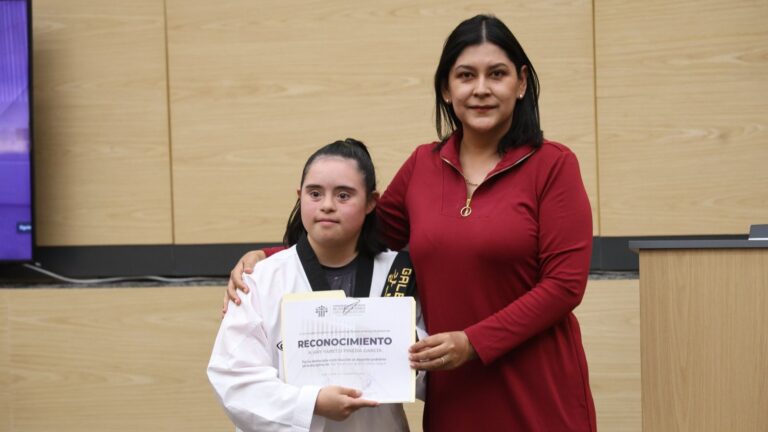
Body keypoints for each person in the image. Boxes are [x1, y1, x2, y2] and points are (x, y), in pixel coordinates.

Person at [225, 14, 596, 432]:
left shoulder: (553, 165)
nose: (480, 89)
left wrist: (473, 342)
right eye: (465, 75)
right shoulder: (424, 165)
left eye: (497, 74)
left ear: (522, 82)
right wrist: (269, 259)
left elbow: (565, 286)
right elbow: (360, 230)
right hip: (456, 395)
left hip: (538, 388)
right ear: (446, 87)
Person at [208, 138, 424, 432]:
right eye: (314, 193)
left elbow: (431, 378)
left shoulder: (400, 275)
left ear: (372, 202)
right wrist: (311, 403)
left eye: (344, 195)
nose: (327, 206)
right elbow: (233, 380)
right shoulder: (261, 279)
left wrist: (409, 348)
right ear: (300, 196)